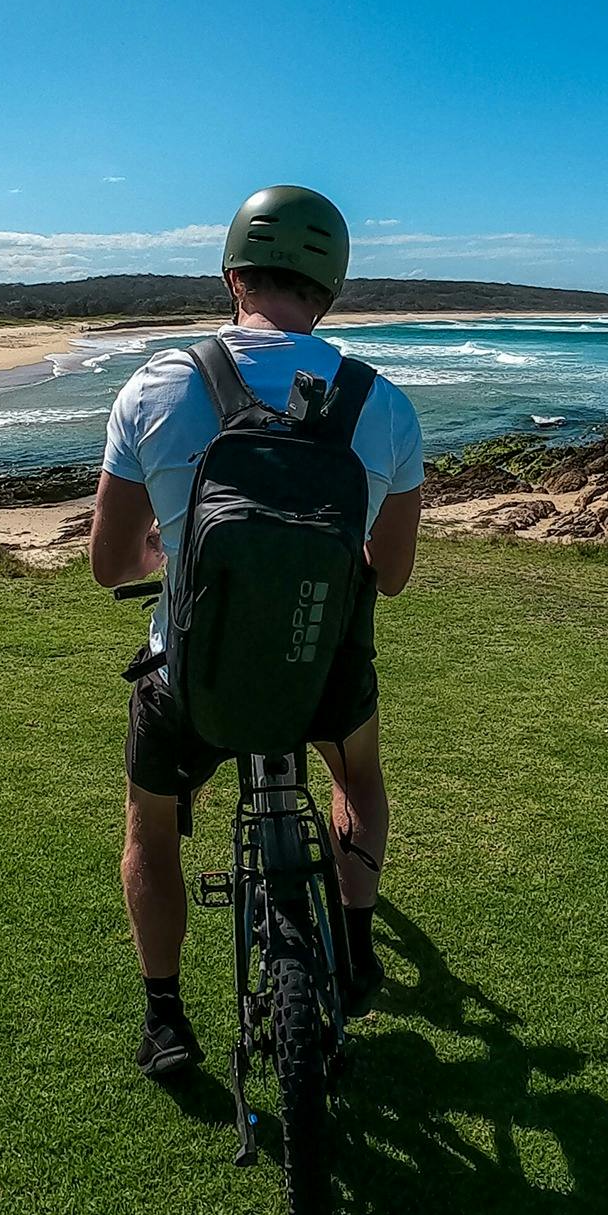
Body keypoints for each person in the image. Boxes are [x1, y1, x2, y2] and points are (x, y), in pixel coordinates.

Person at [89, 185, 425, 1078]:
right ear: (333, 288)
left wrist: (174, 551)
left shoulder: (157, 387)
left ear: (232, 272)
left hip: (187, 674)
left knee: (150, 829)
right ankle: (354, 945)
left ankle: (166, 1019)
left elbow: (109, 563)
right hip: (322, 670)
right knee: (359, 774)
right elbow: (390, 575)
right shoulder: (383, 406)